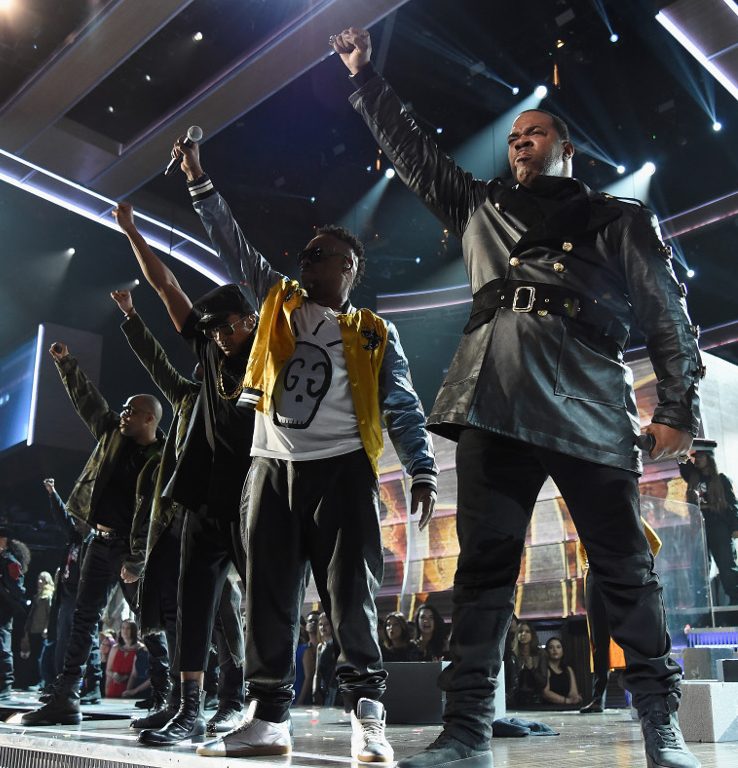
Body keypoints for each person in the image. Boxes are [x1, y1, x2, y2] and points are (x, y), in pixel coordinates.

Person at [333, 27, 703, 768]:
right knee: (482, 571)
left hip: (589, 405)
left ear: (566, 149)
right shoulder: (478, 206)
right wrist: (366, 78)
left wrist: (677, 410)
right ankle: (467, 726)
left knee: (623, 566)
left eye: (535, 133)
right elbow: (414, 156)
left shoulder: (615, 217)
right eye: (513, 138)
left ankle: (661, 728)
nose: (520, 143)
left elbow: (667, 313)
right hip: (492, 403)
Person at [171, 140, 437, 762]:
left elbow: (400, 402)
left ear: (350, 271)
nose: (311, 261)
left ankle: (367, 717)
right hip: (272, 465)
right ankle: (269, 719)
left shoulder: (373, 332)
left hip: (341, 468)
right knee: (267, 594)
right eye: (309, 253)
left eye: (327, 257)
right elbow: (232, 245)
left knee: (350, 596)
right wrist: (199, 181)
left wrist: (421, 468)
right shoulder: (276, 301)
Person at [112, 204, 256, 748]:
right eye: (212, 328)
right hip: (199, 502)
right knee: (194, 605)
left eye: (227, 326)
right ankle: (189, 709)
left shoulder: (269, 359)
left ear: (250, 323)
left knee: (254, 607)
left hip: (247, 501)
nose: (218, 336)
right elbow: (166, 283)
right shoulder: (205, 357)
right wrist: (132, 232)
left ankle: (254, 704)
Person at [21, 343, 164, 727]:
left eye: (131, 411)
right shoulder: (112, 434)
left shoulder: (162, 458)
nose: (123, 414)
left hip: (131, 551)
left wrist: (137, 560)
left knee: (149, 620)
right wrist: (67, 363)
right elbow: (90, 401)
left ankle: (166, 698)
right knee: (84, 619)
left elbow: (158, 516)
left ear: (149, 418)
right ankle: (66, 697)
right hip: (98, 543)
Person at [579, 519, 662, 714]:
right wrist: (588, 567)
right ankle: (598, 698)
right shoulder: (585, 511)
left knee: (628, 635)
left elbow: (655, 542)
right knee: (598, 640)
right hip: (595, 578)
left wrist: (638, 567)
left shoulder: (624, 507)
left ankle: (639, 695)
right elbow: (582, 547)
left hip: (621, 575)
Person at [679, 443, 738, 605]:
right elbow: (682, 461)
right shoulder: (693, 477)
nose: (697, 460)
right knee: (699, 569)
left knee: (727, 567)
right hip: (699, 528)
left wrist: (735, 527)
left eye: (701, 457)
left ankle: (735, 605)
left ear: (709, 458)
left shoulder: (721, 479)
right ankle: (702, 607)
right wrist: (680, 447)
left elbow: (732, 504)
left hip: (719, 527)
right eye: (696, 457)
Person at [0, 528, 27, 699]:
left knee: (2, 646)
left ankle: (5, 684)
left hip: (3, 609)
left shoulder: (10, 561)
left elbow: (19, 588)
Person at [21, 571, 54, 688]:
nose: (39, 581)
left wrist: (46, 628)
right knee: (35, 657)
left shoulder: (48, 596)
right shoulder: (38, 596)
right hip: (33, 630)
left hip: (42, 631)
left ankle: (42, 682)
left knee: (41, 657)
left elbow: (50, 614)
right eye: (39, 579)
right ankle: (35, 680)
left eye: (42, 579)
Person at [509, 623, 546, 708]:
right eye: (520, 631)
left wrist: (532, 668)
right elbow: (510, 683)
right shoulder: (513, 655)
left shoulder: (540, 654)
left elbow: (543, 683)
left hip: (537, 701)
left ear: (532, 634)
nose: (523, 634)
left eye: (527, 631)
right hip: (516, 701)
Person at [106, 620, 144, 697]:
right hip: (114, 687)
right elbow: (108, 670)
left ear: (133, 630)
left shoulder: (141, 648)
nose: (125, 631)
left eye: (128, 628)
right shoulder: (115, 648)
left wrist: (126, 677)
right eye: (123, 628)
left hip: (133, 688)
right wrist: (114, 675)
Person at [541, 637, 582, 708]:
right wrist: (566, 701)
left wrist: (575, 698)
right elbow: (546, 693)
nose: (555, 650)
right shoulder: (545, 669)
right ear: (547, 651)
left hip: (566, 708)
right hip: (548, 709)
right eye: (551, 647)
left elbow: (573, 693)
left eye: (558, 647)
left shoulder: (568, 669)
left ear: (563, 651)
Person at [295, 610, 320, 705]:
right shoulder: (302, 648)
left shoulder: (328, 647)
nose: (313, 623)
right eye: (310, 621)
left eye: (316, 621)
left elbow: (309, 677)